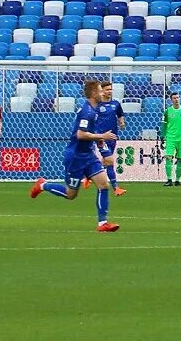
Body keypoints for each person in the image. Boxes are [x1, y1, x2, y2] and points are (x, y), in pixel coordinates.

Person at [28, 79, 121, 233]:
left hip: (88, 155)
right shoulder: (87, 112)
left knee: (103, 184)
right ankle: (42, 185)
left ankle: (102, 223)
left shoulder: (95, 110)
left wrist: (105, 152)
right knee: (71, 194)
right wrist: (102, 136)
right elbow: (81, 134)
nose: (103, 93)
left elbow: (95, 135)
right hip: (75, 157)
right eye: (100, 90)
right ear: (93, 93)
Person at [158, 90, 181, 186]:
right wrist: (162, 137)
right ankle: (169, 180)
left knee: (180, 159)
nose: (176, 100)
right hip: (170, 138)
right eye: (174, 98)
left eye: (178, 98)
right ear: (171, 100)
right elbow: (164, 125)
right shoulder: (167, 112)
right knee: (168, 157)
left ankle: (177, 180)